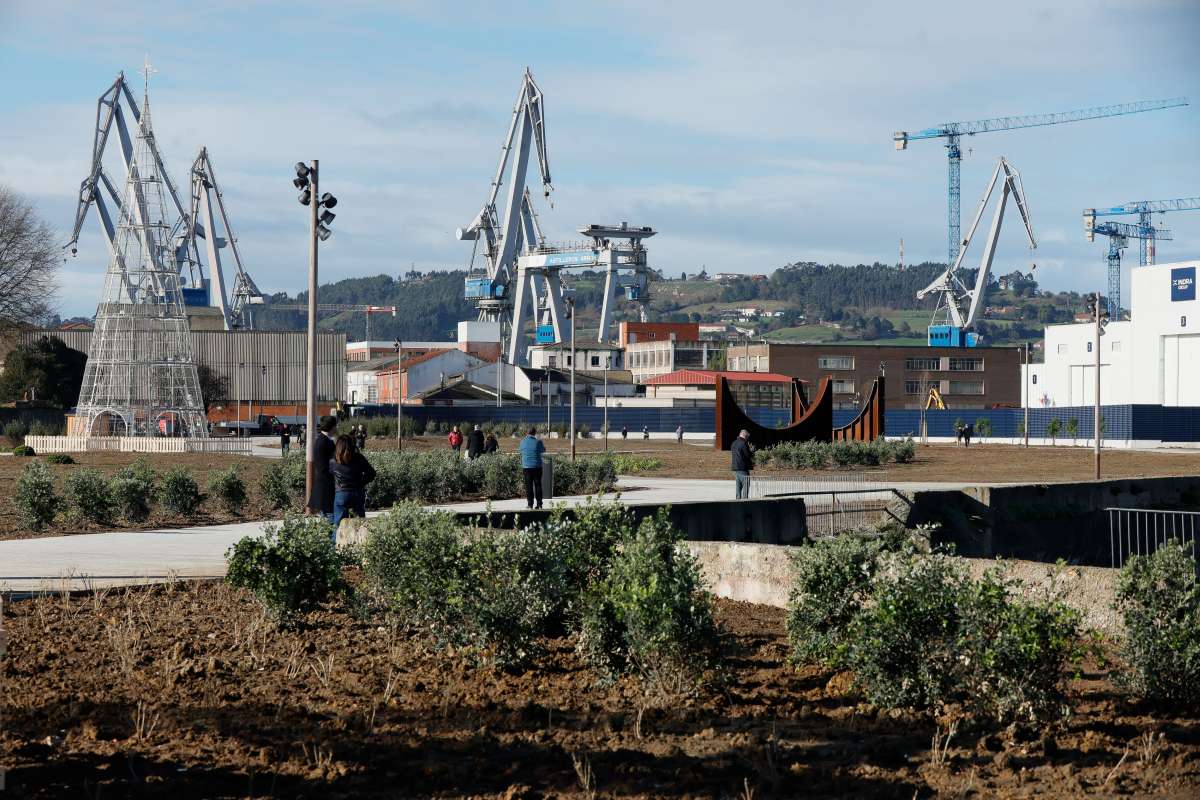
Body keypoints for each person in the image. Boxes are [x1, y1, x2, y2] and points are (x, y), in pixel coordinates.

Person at [329, 434, 377, 536]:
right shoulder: (359, 458)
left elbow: (328, 475)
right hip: (357, 492)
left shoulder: (333, 460)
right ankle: (362, 547)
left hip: (341, 493)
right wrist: (361, 482)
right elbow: (372, 473)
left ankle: (335, 548)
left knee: (338, 525)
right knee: (360, 524)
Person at [306, 415, 339, 521]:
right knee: (329, 516)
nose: (336, 428)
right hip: (325, 484)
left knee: (326, 515)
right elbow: (324, 466)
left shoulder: (324, 440)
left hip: (324, 482)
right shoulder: (324, 442)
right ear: (332, 427)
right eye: (335, 426)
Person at [519, 426, 546, 509]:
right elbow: (543, 450)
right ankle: (539, 504)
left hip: (526, 467)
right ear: (535, 433)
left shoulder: (523, 441)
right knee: (538, 485)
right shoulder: (538, 442)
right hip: (537, 466)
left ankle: (530, 504)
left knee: (529, 486)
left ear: (527, 433)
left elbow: (520, 450)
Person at [731, 428, 754, 500]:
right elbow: (747, 455)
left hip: (735, 468)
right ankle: (745, 501)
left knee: (738, 486)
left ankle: (737, 500)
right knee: (746, 485)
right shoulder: (744, 443)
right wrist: (752, 451)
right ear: (745, 435)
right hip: (743, 468)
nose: (747, 439)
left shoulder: (734, 443)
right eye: (747, 437)